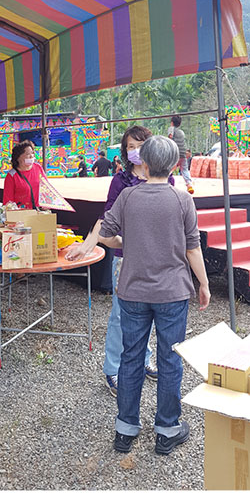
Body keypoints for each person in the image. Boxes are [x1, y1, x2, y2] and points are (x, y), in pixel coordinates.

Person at [96, 135, 210, 456]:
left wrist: (127, 243)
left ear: (143, 163)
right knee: (170, 358)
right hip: (172, 293)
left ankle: (125, 429)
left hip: (133, 290)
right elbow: (192, 247)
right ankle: (167, 429)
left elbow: (106, 235)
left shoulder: (128, 196)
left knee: (131, 357)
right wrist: (203, 283)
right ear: (175, 165)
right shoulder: (182, 199)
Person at [68, 126, 175, 395]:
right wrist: (87, 244)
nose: (135, 151)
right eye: (129, 146)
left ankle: (145, 360)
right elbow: (107, 221)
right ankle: (113, 369)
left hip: (155, 259)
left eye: (140, 144)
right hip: (125, 257)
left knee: (150, 312)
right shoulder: (122, 181)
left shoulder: (166, 179)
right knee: (119, 315)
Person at [2, 140, 45, 209]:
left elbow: (46, 188)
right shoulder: (12, 175)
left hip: (39, 211)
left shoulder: (38, 168)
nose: (31, 156)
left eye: (32, 153)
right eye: (28, 154)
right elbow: (8, 201)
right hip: (21, 214)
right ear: (18, 157)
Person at [168, 115, 195, 194]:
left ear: (172, 122)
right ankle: (189, 184)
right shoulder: (181, 132)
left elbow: (170, 136)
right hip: (183, 153)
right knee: (184, 170)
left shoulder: (171, 129)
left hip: (175, 153)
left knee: (169, 169)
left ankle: (164, 182)